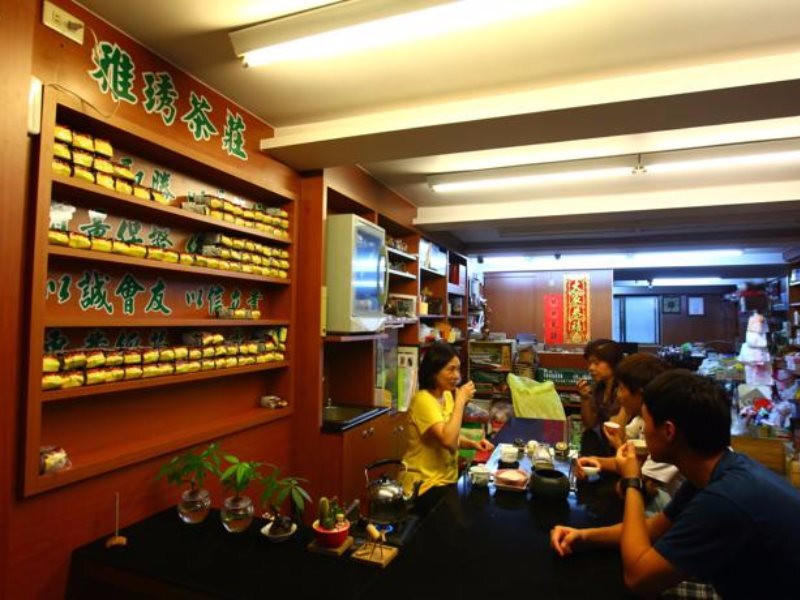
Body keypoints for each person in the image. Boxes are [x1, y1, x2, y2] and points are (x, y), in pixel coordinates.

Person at [551, 370, 800, 599]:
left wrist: (632, 480)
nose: (643, 432)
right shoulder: (717, 470)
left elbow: (638, 578)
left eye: (645, 422)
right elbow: (654, 528)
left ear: (668, 431)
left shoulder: (723, 500)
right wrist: (584, 536)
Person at [577, 353, 680, 507]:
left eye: (621, 388)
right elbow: (630, 464)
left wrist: (618, 445)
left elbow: (636, 480)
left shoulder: (662, 430)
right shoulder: (640, 420)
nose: (618, 394)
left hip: (662, 507)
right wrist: (595, 461)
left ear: (640, 394)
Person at [402, 342, 494, 506]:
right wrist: (460, 401)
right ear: (434, 371)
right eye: (450, 369)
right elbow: (448, 441)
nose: (457, 375)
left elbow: (450, 433)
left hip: (445, 480)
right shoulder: (423, 400)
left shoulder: (447, 395)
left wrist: (472, 443)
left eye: (458, 369)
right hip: (424, 486)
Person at [577, 339, 626, 456]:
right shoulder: (599, 388)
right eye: (589, 363)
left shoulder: (624, 389)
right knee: (589, 436)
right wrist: (585, 399)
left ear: (613, 363)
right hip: (604, 444)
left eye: (596, 363)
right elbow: (590, 424)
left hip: (620, 445)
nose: (591, 368)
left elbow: (616, 431)